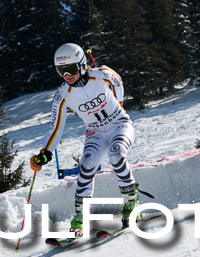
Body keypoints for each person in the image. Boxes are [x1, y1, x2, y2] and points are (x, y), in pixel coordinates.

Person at [30, 43, 140, 237]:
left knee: (116, 155)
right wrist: (45, 153)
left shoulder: (102, 74)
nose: (67, 76)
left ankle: (131, 204)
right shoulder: (62, 96)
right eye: (61, 71)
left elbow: (118, 81)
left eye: (71, 69)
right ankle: (80, 218)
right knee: (87, 164)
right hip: (96, 131)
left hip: (119, 124)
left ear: (81, 65)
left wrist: (119, 102)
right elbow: (56, 127)